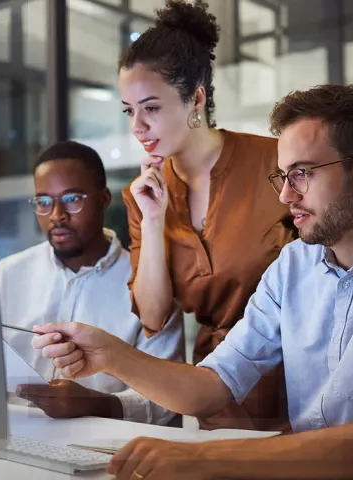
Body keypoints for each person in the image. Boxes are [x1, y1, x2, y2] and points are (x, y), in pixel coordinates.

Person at [32, 85, 353, 479]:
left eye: (303, 173)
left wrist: (204, 459)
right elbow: (211, 386)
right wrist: (110, 354)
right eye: (283, 176)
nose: (286, 195)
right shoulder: (294, 265)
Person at [118, 0, 295, 431]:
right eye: (129, 110)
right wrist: (154, 220)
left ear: (195, 98)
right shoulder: (143, 196)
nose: (137, 126)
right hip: (215, 390)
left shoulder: (277, 162)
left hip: (297, 380)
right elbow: (154, 317)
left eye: (151, 107)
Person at [0, 140, 183, 426]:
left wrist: (98, 404)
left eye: (72, 199)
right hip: (12, 434)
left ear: (104, 199)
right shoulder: (7, 274)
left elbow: (169, 397)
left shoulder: (148, 284)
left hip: (105, 444)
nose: (56, 215)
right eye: (43, 202)